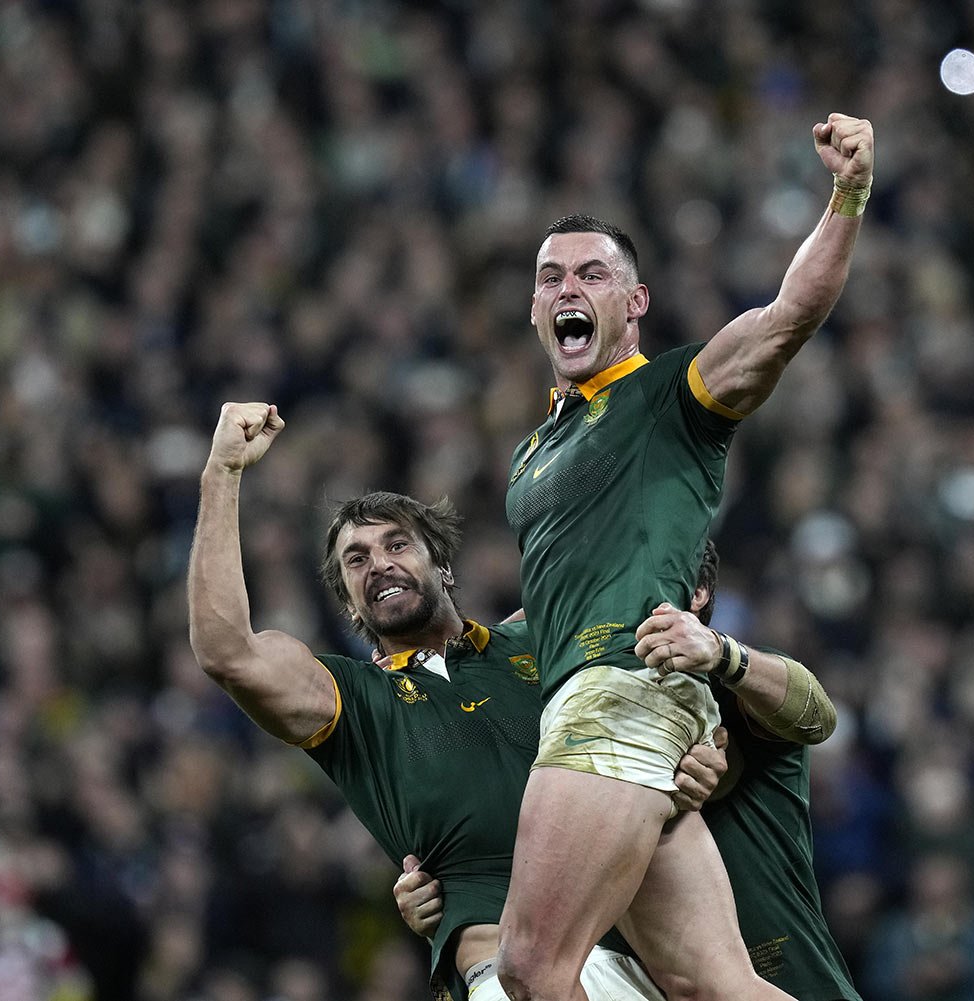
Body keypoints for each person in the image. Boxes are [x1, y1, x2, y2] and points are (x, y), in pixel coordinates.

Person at [500, 114, 874, 1001]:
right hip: (590, 696)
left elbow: (788, 318)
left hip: (619, 688)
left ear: (635, 304)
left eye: (593, 273)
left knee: (528, 966)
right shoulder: (532, 452)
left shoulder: (671, 395)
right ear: (534, 310)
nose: (567, 287)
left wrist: (848, 194)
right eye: (550, 276)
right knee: (710, 984)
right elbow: (545, 603)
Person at [185, 401, 725, 1001]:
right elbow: (227, 652)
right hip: (506, 974)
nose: (379, 564)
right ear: (348, 604)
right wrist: (222, 472)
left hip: (648, 959)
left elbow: (666, 663)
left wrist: (693, 755)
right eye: (356, 560)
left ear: (441, 565)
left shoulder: (544, 638)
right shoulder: (350, 703)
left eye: (397, 544)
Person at [399, 540, 863, 1001]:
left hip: (789, 979)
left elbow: (817, 714)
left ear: (694, 593)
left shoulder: (727, 689)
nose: (606, 600)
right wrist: (445, 896)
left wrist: (724, 652)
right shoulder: (576, 720)